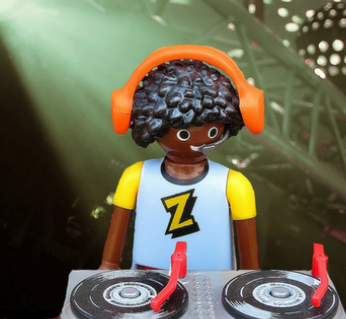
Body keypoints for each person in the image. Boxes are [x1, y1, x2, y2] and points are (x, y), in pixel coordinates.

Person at [99, 58, 259, 271]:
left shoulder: (234, 184)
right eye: (183, 133)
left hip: (214, 280)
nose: (198, 141)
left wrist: (249, 278)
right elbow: (110, 260)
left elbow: (250, 267)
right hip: (148, 276)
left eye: (213, 131)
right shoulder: (136, 176)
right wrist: (108, 267)